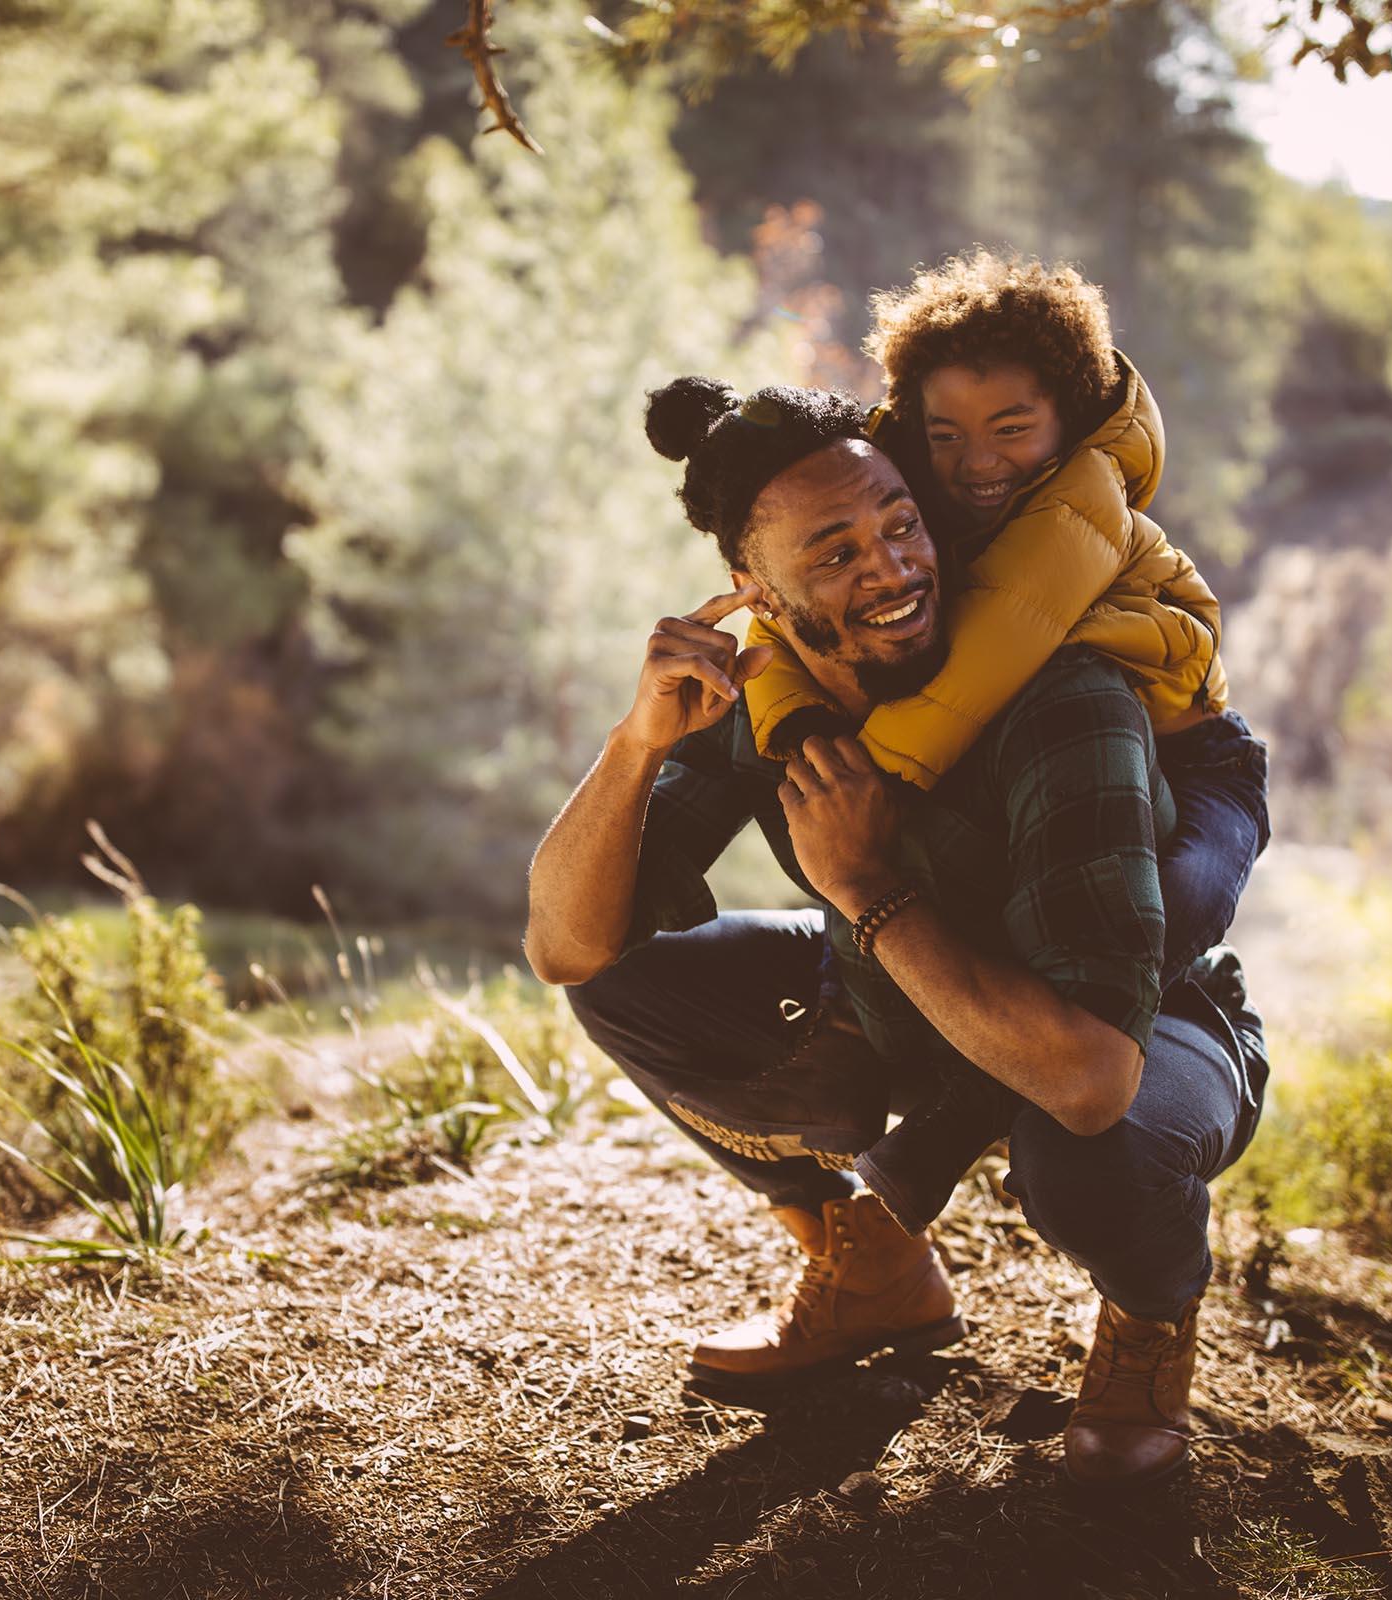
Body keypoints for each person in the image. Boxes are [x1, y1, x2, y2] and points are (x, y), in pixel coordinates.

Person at [522, 376, 1269, 1489]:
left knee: (1088, 1155)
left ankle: (1149, 1318)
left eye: (901, 524)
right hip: (907, 1002)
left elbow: (1089, 1074)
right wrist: (638, 745)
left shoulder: (1064, 700)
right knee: (630, 986)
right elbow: (565, 948)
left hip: (1147, 1025)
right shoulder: (771, 695)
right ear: (755, 591)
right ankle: (868, 1268)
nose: (893, 568)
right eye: (834, 553)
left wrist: (867, 885)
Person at [738, 251, 1271, 1236]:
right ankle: (863, 1033)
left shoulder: (1078, 508)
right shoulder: (921, 506)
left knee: (1181, 906)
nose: (978, 460)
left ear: (1069, 420)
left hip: (1200, 763)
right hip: (1095, 753)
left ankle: (970, 1114)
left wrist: (875, 778)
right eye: (945, 435)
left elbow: (982, 661)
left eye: (1011, 430)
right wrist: (796, 717)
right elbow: (776, 629)